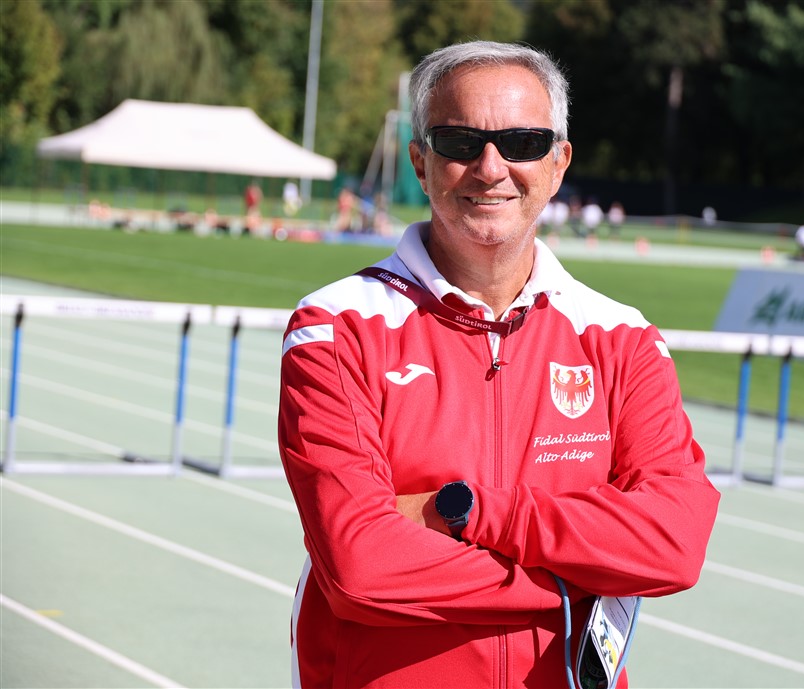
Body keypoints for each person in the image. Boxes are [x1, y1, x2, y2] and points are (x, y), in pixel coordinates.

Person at [278, 40, 720, 689]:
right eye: (461, 142)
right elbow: (361, 567)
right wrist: (580, 577)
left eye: (522, 142)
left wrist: (465, 511)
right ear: (421, 162)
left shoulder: (623, 339)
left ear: (558, 163)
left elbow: (674, 546)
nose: (491, 168)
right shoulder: (336, 327)